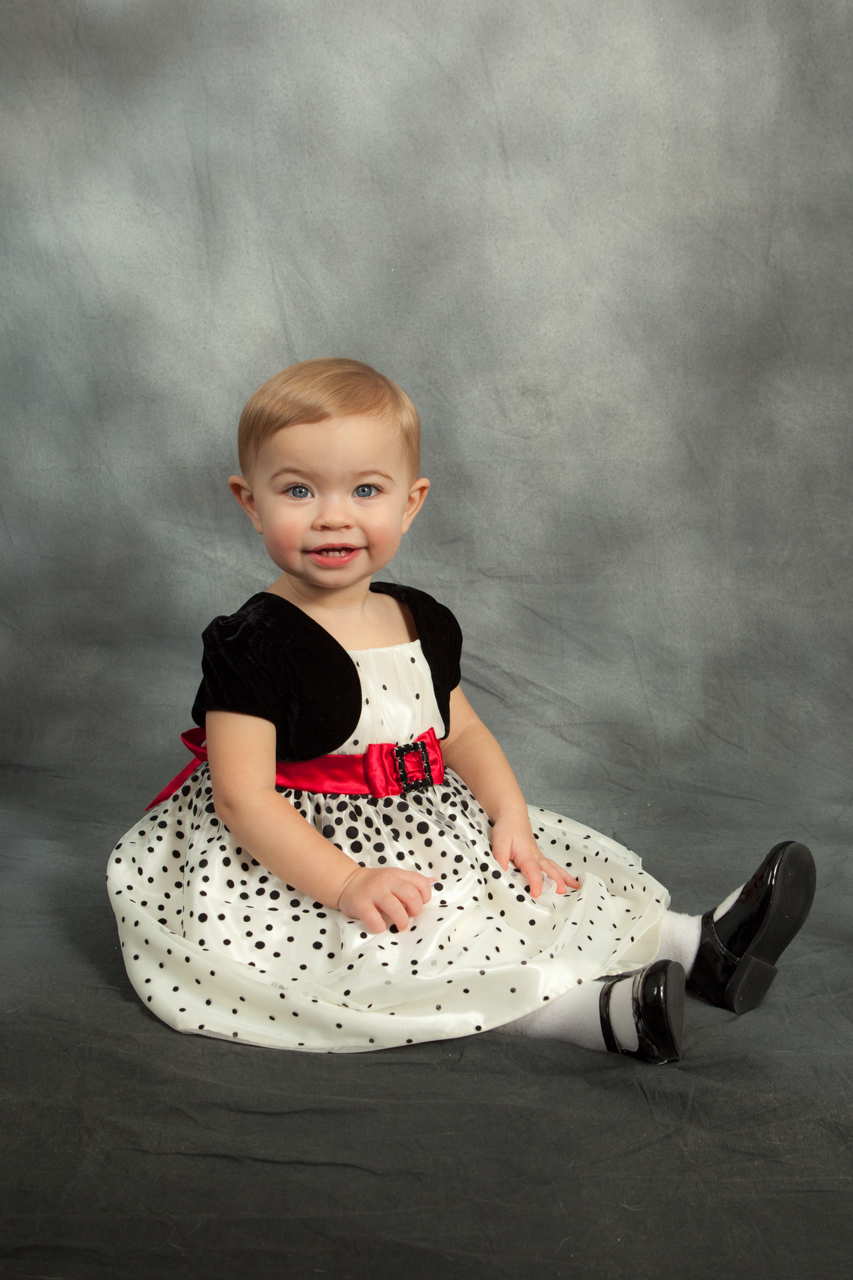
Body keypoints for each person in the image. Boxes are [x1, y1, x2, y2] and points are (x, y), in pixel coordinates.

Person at [106, 358, 816, 1063]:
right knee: (410, 943)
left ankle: (701, 948)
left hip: (426, 820)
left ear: (409, 503)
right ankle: (590, 1016)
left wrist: (508, 815)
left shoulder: (420, 618)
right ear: (250, 501)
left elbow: (464, 732)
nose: (333, 516)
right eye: (298, 490)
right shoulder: (252, 644)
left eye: (364, 489)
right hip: (305, 848)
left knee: (530, 883)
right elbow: (242, 798)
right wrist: (346, 882)